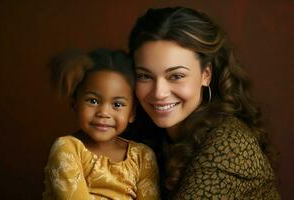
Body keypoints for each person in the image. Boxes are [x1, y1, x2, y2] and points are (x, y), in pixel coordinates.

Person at [128, 7, 280, 199]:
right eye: (145, 76)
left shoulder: (229, 144)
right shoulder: (150, 136)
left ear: (205, 75)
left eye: (176, 76)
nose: (159, 93)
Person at [43, 49, 160, 200]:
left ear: (132, 113)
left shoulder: (143, 156)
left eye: (117, 104)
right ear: (74, 103)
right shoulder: (67, 148)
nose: (104, 112)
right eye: (93, 101)